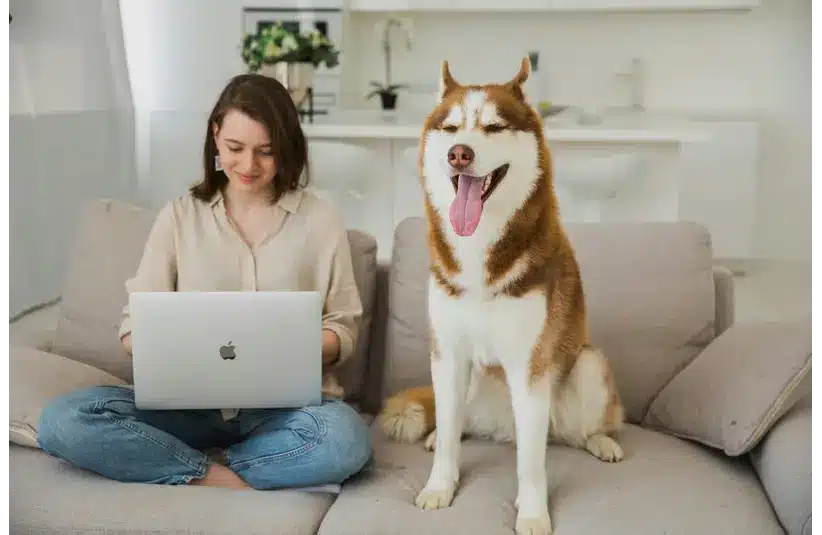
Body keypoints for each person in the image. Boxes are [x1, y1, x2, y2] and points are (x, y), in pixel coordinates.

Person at [36, 74, 373, 490]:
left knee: (343, 441)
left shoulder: (320, 220)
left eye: (266, 152)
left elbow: (343, 327)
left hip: (283, 411)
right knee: (63, 420)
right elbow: (132, 328)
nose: (248, 166)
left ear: (286, 147)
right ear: (216, 136)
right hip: (186, 408)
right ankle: (224, 475)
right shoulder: (179, 217)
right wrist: (170, 347)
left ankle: (181, 462)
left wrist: (285, 346)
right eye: (236, 148)